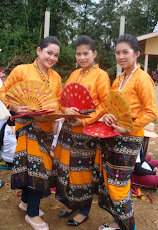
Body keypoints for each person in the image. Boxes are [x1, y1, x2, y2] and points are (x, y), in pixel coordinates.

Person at [0, 36, 62, 230]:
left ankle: (25, 202)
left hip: (46, 130)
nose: (51, 58)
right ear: (38, 51)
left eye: (56, 55)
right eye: (48, 53)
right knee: (39, 168)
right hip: (26, 128)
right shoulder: (21, 70)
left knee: (31, 167)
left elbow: (56, 104)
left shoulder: (56, 78)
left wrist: (48, 116)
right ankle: (32, 214)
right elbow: (3, 93)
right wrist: (15, 108)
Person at [98, 34, 158, 230]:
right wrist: (107, 116)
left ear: (137, 54)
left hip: (129, 138)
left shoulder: (143, 79)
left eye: (125, 52)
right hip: (113, 136)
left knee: (119, 184)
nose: (121, 56)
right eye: (117, 52)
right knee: (110, 180)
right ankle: (117, 222)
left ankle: (128, 226)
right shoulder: (119, 79)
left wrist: (128, 128)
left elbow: (151, 112)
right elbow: (111, 107)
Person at [52, 35, 111, 226]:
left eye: (86, 53)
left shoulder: (101, 76)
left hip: (87, 133)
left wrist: (85, 121)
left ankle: (83, 210)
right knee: (67, 169)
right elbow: (64, 99)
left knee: (83, 172)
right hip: (69, 130)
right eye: (79, 54)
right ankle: (71, 203)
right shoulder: (74, 74)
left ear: (94, 53)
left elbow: (105, 105)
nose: (82, 57)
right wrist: (66, 110)